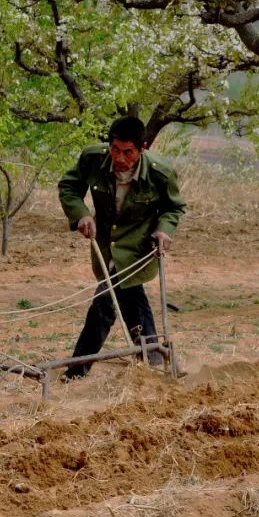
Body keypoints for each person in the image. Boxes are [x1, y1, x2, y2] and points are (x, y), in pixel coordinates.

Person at [57, 115, 186, 379]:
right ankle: (152, 357)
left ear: (143, 148)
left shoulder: (161, 173)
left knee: (106, 300)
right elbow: (69, 186)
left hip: (138, 248)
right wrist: (80, 213)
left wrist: (164, 230)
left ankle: (77, 370)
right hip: (106, 246)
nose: (120, 157)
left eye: (128, 152)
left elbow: (173, 208)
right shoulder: (92, 158)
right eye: (115, 149)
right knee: (130, 297)